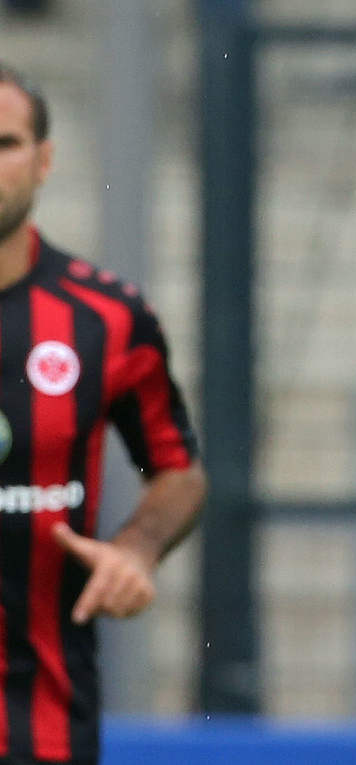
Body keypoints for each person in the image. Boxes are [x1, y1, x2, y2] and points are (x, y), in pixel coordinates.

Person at [0, 62, 204, 764]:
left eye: (5, 143)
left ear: (44, 160)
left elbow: (179, 470)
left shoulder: (106, 317)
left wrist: (136, 548)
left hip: (40, 722)